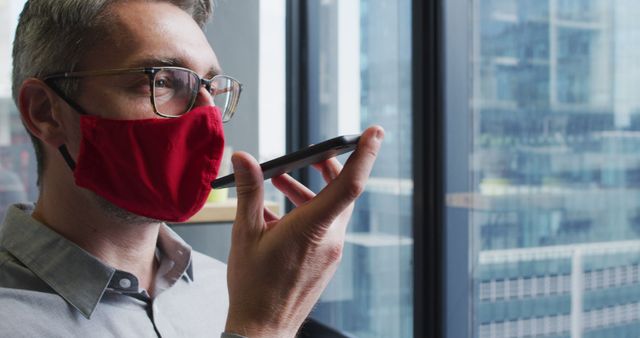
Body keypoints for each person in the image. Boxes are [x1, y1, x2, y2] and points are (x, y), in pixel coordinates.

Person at [0, 0, 383, 337]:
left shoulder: (230, 287)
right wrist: (261, 329)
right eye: (162, 80)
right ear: (45, 112)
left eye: (210, 88)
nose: (206, 116)